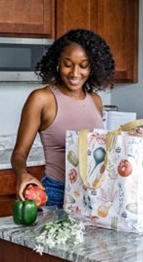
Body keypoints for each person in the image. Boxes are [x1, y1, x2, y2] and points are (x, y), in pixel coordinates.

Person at [11, 29, 116, 208]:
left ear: (93, 67)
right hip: (56, 193)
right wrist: (23, 174)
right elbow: (19, 154)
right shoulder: (41, 99)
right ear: (57, 62)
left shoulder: (96, 100)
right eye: (68, 64)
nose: (75, 73)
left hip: (95, 194)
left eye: (83, 65)